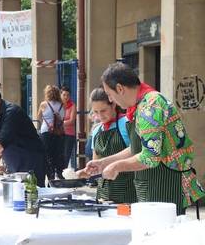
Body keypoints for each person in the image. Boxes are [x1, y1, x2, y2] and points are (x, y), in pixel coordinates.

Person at [84, 62, 205, 214]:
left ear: (120, 89)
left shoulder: (150, 107)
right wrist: (104, 162)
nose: (111, 99)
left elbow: (150, 157)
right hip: (151, 185)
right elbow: (138, 148)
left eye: (110, 95)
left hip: (164, 185)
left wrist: (117, 167)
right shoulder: (141, 105)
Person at [77, 87, 136, 203]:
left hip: (128, 191)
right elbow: (97, 163)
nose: (100, 116)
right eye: (96, 112)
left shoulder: (127, 123)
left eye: (103, 110)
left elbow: (136, 151)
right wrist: (85, 172)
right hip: (103, 193)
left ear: (113, 104)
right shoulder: (96, 131)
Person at [37, 85, 65, 180]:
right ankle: (59, 173)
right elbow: (63, 118)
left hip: (46, 131)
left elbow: (39, 117)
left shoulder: (43, 104)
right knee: (57, 153)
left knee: (47, 154)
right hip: (59, 132)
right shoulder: (62, 105)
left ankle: (50, 175)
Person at [60, 86, 77, 170]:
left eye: (68, 95)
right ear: (60, 95)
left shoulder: (73, 105)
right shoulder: (58, 105)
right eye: (64, 95)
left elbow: (71, 121)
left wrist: (60, 123)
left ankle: (63, 173)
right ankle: (58, 173)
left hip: (69, 134)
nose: (66, 97)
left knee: (66, 155)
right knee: (58, 155)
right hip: (59, 134)